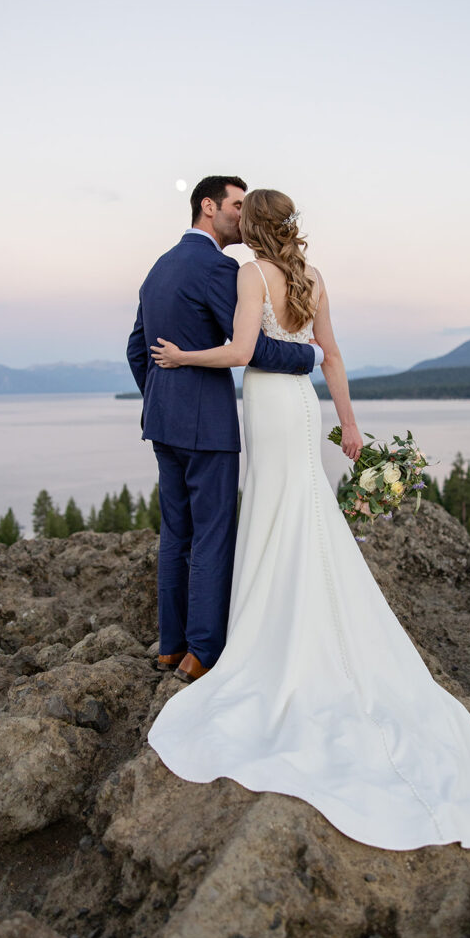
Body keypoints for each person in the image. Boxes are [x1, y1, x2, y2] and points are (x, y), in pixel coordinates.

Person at [146, 187, 470, 850]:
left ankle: (263, 633)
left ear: (254, 227)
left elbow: (241, 353)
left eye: (245, 214)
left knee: (272, 512)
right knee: (303, 509)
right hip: (304, 408)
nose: (235, 219)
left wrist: (182, 358)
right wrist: (349, 426)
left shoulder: (249, 273)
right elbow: (329, 356)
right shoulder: (311, 277)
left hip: (268, 407)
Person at [126, 176, 325, 685]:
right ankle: (204, 651)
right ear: (208, 206)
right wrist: (308, 355)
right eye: (236, 205)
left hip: (163, 422)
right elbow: (250, 348)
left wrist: (159, 399)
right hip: (206, 427)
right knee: (213, 535)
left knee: (176, 534)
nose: (242, 214)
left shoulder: (158, 267)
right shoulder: (220, 268)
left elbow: (136, 348)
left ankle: (170, 647)